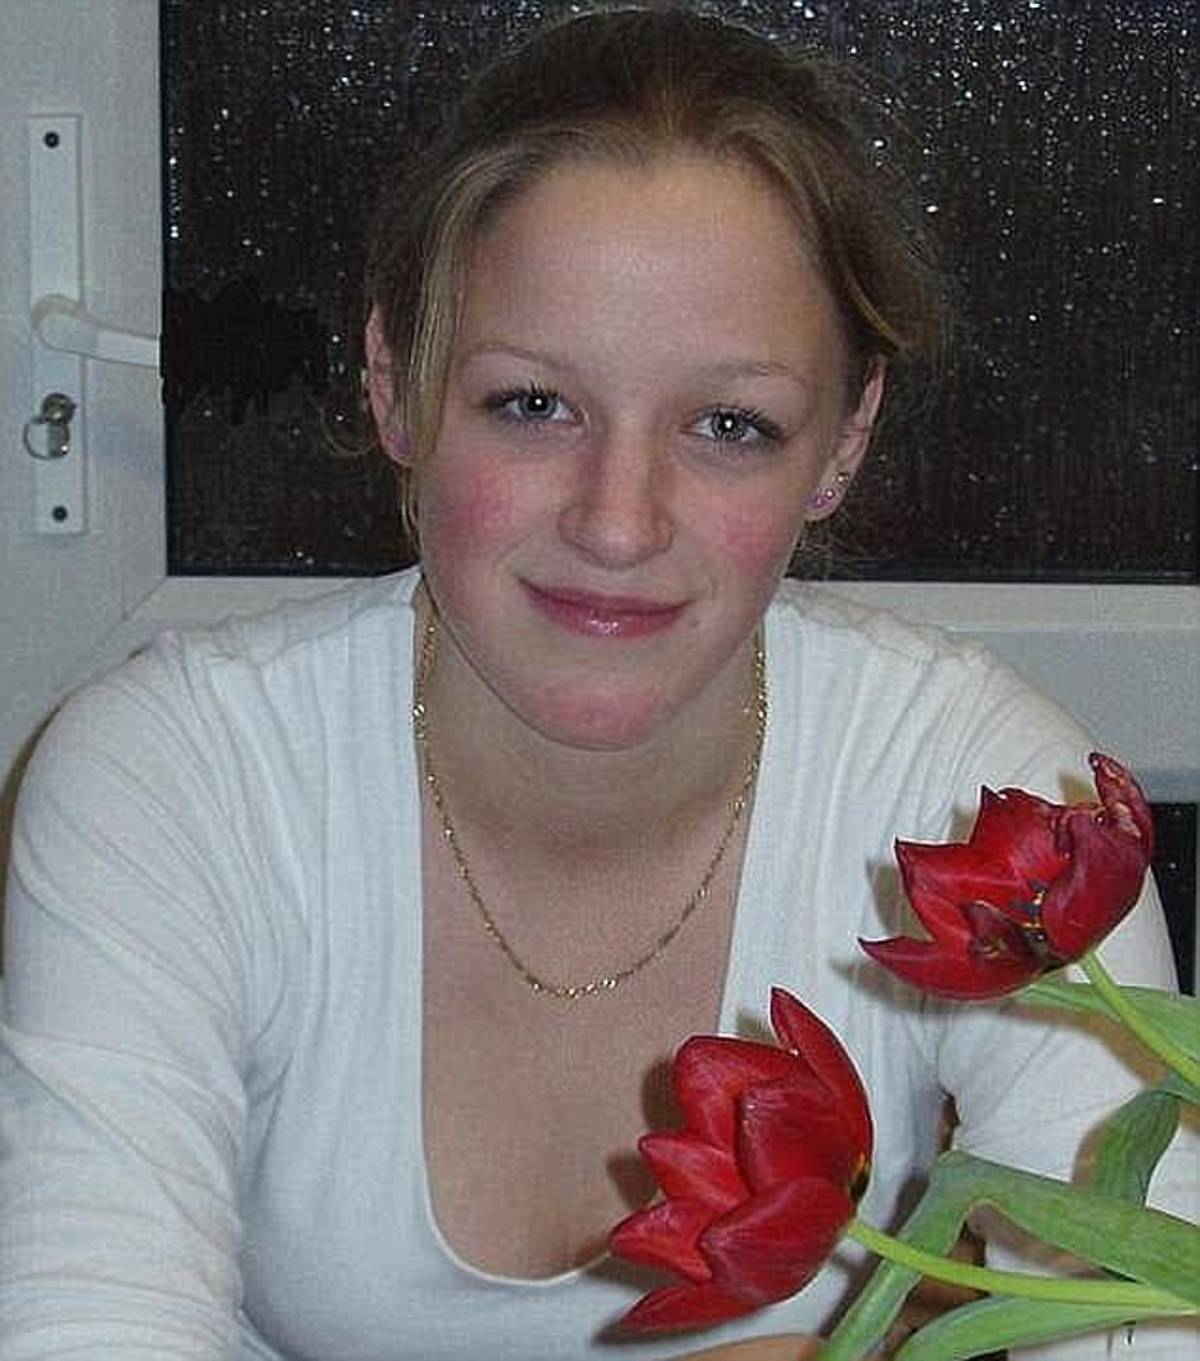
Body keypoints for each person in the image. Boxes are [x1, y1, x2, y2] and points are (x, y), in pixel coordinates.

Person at [1, 7, 1193, 1360]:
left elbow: (1143, 1331)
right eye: (534, 405)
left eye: (730, 425)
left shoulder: (972, 795)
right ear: (396, 386)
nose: (619, 523)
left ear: (844, 440)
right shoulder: (177, 777)